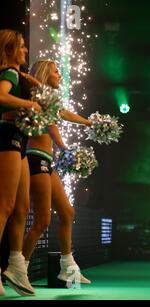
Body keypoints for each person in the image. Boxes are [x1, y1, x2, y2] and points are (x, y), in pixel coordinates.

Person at [21, 60, 92, 284]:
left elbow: (64, 114)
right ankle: (18, 267)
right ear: (45, 74)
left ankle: (67, 267)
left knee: (67, 212)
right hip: (35, 158)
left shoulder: (48, 98)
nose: (59, 75)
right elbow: (51, 124)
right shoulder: (37, 96)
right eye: (55, 72)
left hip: (47, 161)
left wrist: (89, 123)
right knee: (41, 220)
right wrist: (64, 148)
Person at [0, 29, 42, 296]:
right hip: (7, 138)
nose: (26, 51)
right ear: (9, 50)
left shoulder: (19, 75)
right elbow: (1, 97)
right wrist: (30, 104)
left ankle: (16, 264)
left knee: (21, 207)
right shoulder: (10, 74)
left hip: (19, 140)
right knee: (4, 205)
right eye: (22, 47)